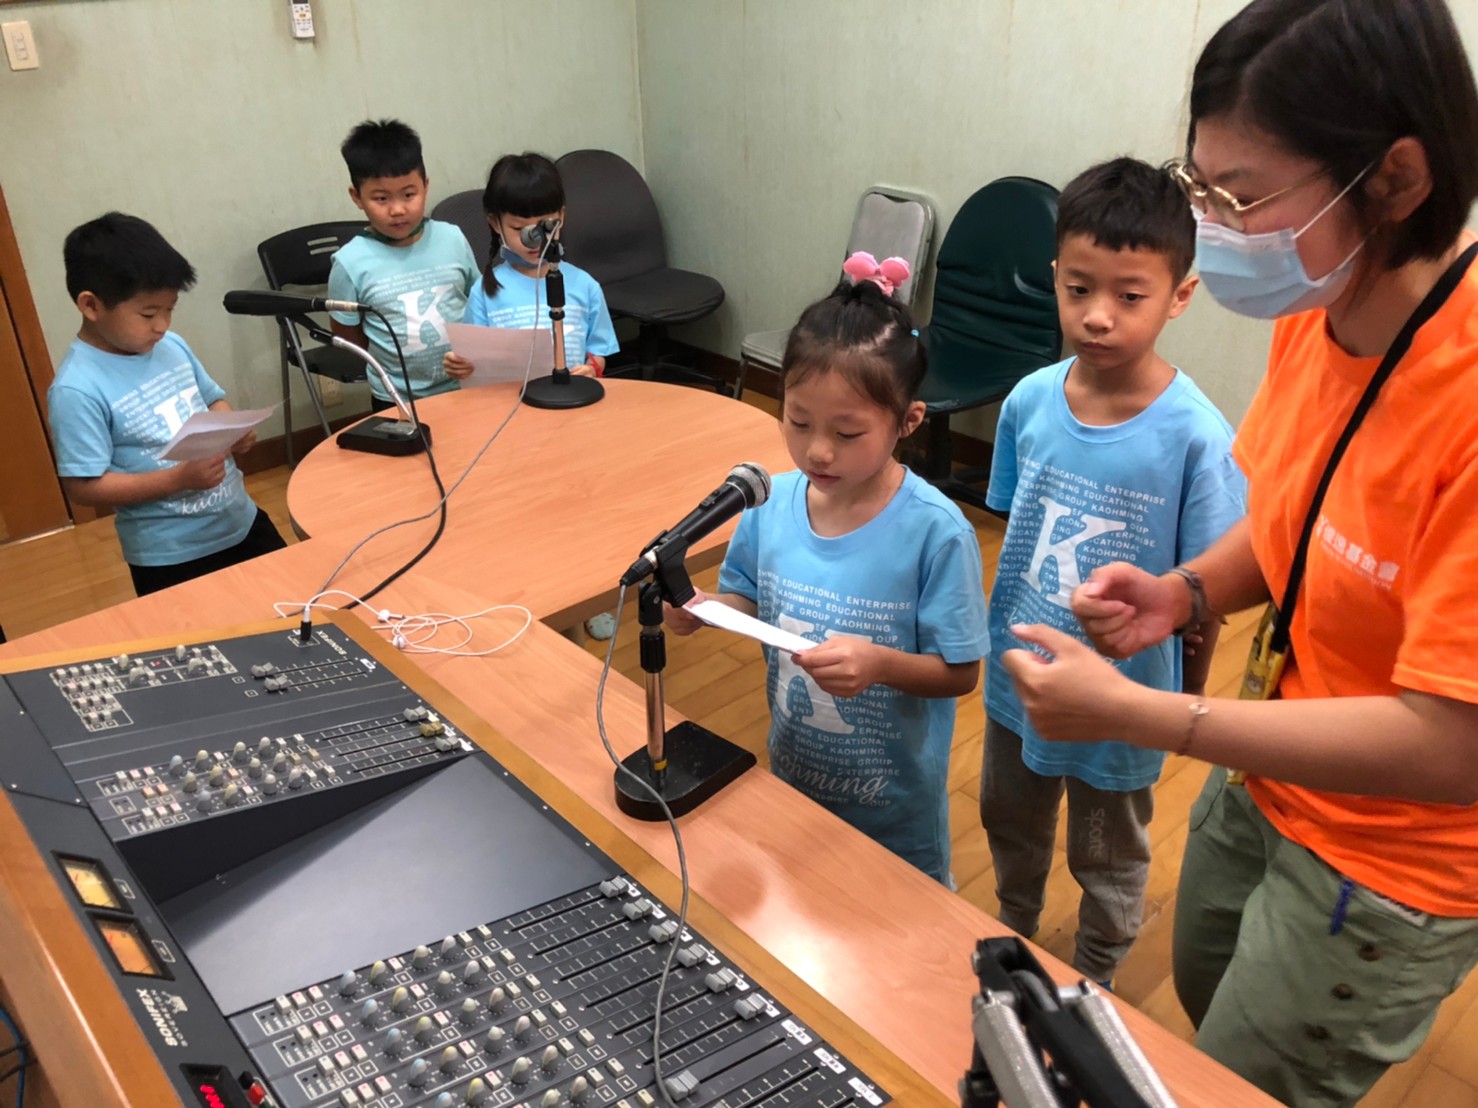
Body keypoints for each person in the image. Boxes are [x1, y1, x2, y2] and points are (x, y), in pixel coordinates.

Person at [999, 1, 1478, 1102]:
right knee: (1207, 999)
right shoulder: (1322, 302)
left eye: (1240, 197)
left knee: (1242, 1081)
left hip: (1389, 861)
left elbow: (1453, 744)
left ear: (1395, 180)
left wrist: (1144, 714)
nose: (1211, 229)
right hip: (1270, 766)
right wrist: (1183, 591)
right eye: (1199, 185)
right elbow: (1298, 522)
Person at [979, 157, 1245, 987]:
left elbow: (1206, 595)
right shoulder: (1027, 401)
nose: (1097, 316)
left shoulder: (1198, 437)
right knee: (1010, 822)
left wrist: (1180, 698)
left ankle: (1098, 973)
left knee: (1107, 851)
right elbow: (1014, 526)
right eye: (1078, 289)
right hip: (1018, 676)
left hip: (1123, 701)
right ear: (1055, 275)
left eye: (1129, 296)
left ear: (1180, 295)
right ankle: (1011, 931)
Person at [665, 263, 989, 882]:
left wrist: (880, 665)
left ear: (909, 421)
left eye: (847, 432)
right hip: (792, 782)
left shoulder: (937, 532)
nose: (818, 449)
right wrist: (701, 608)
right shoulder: (769, 503)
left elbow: (961, 672)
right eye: (798, 421)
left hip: (895, 813)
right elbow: (748, 599)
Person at [48, 213, 286, 597]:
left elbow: (212, 399)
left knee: (291, 603)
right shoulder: (77, 389)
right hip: (170, 555)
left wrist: (232, 431)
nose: (162, 325)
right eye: (148, 313)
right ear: (91, 306)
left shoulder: (171, 346)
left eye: (169, 309)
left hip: (239, 520)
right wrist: (176, 481)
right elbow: (83, 487)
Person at [327, 119, 478, 409]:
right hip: (395, 398)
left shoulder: (453, 238)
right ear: (357, 197)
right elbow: (348, 336)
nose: (397, 209)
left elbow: (477, 301)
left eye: (409, 195)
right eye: (381, 198)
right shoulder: (349, 263)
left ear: (426, 186)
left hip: (464, 387)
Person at [443, 152, 618, 382]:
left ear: (561, 216)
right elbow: (473, 362)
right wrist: (460, 365)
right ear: (495, 223)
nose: (535, 240)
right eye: (519, 229)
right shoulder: (484, 293)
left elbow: (598, 350)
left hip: (570, 397)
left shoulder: (585, 285)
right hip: (510, 399)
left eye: (545, 226)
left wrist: (592, 369)